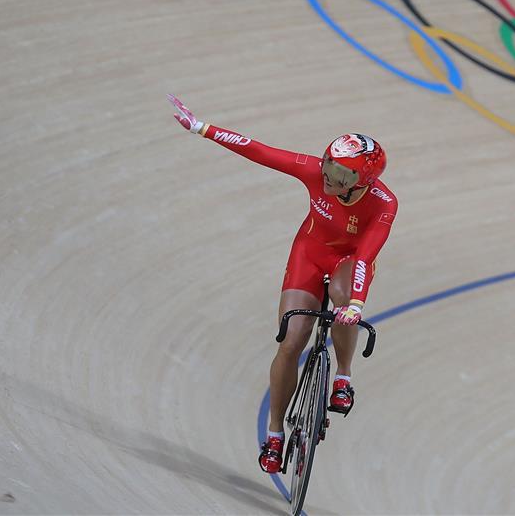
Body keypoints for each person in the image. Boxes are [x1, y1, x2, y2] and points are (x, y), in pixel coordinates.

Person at [168, 94, 398, 474]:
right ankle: (275, 433)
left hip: (348, 262)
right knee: (291, 341)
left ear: (365, 182)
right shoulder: (314, 172)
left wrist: (355, 305)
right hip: (309, 252)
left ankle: (343, 375)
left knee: (343, 303)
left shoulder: (384, 204)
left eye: (342, 176)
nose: (328, 178)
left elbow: (364, 257)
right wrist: (203, 128)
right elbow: (260, 151)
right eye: (329, 166)